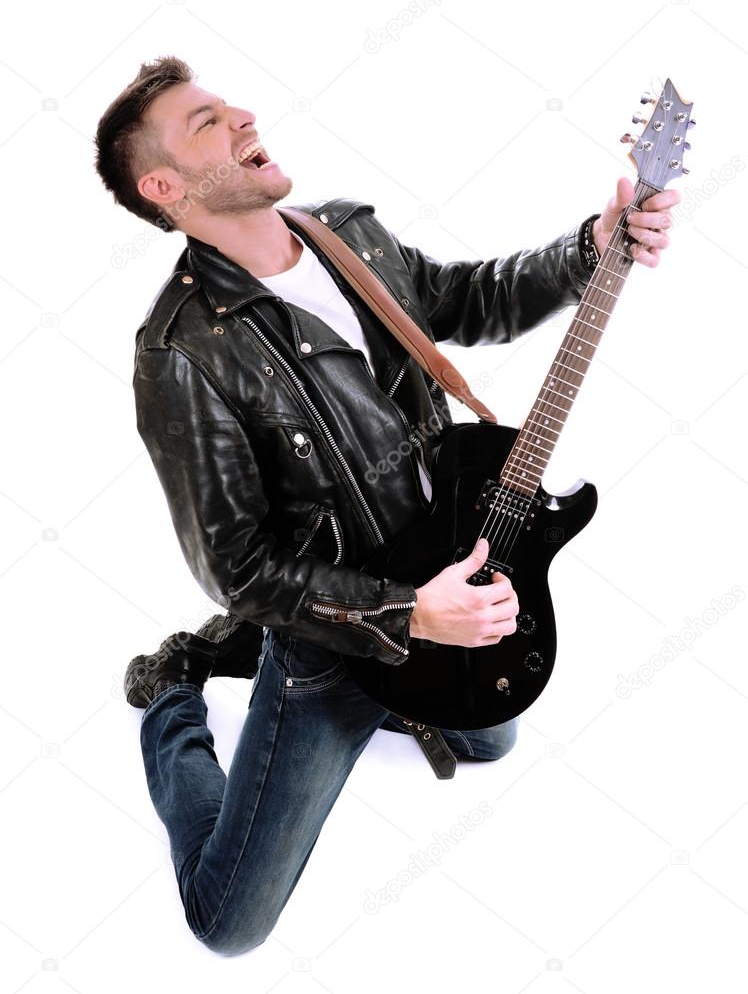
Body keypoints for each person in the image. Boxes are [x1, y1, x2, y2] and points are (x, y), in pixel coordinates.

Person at [94, 55, 679, 956]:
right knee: (228, 924)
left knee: (488, 741)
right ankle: (176, 685)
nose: (245, 114)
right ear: (164, 185)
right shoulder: (179, 354)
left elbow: (465, 299)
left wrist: (590, 247)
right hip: (337, 630)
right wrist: (409, 614)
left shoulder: (347, 235)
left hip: (447, 550)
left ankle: (252, 654)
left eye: (229, 103)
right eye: (207, 121)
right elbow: (237, 565)